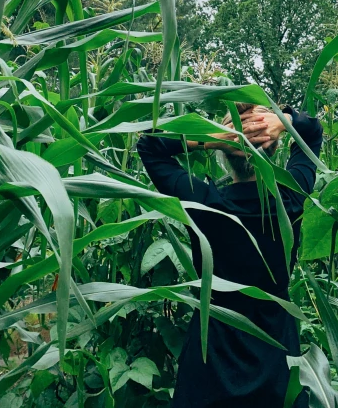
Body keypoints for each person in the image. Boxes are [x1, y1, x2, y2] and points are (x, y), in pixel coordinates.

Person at [137, 103, 323, 408]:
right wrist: (282, 121)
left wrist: (213, 137)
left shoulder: (202, 204)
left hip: (211, 364)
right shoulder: (291, 199)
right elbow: (313, 132)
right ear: (275, 149)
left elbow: (150, 145)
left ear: (223, 155)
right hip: (277, 361)